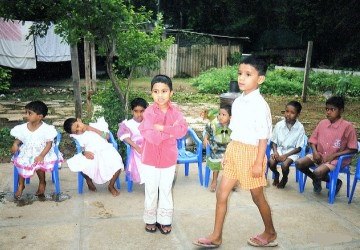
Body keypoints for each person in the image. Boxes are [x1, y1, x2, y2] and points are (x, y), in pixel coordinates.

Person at [193, 55, 277, 248]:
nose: (242, 78)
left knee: (257, 197)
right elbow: (235, 132)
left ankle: (270, 232)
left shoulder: (260, 105)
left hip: (252, 154)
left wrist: (258, 163)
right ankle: (216, 236)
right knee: (221, 193)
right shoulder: (238, 102)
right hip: (234, 151)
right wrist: (227, 153)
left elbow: (263, 137)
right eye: (240, 73)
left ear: (260, 79)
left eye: (248, 74)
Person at [139, 74, 188, 234]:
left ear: (171, 93)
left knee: (166, 189)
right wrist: (170, 133)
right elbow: (149, 134)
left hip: (168, 159)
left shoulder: (177, 113)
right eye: (156, 91)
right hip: (150, 159)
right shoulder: (148, 113)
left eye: (164, 91)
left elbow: (182, 130)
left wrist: (163, 128)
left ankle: (164, 220)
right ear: (151, 93)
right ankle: (150, 220)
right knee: (151, 190)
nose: (160, 95)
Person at [295, 96, 358, 195]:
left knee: (317, 172)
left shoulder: (348, 127)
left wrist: (335, 155)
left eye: (332, 109)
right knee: (299, 163)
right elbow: (312, 141)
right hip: (319, 155)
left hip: (336, 160)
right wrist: (315, 152)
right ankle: (319, 180)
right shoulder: (322, 123)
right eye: (327, 109)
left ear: (341, 110)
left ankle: (334, 182)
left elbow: (353, 149)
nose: (328, 112)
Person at [10, 100, 63, 199]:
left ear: (40, 116)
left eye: (30, 113)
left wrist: (41, 156)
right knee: (22, 162)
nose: (27, 115)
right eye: (26, 112)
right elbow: (18, 139)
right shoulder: (22, 128)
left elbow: (49, 144)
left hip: (43, 152)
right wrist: (15, 144)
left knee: (39, 163)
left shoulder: (46, 129)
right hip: (27, 152)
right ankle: (21, 185)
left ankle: (42, 182)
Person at [63, 117, 124, 197]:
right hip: (91, 153)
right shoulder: (79, 136)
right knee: (81, 165)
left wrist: (91, 128)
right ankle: (88, 180)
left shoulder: (96, 126)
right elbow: (81, 148)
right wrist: (84, 153)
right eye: (76, 131)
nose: (79, 130)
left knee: (117, 164)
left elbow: (107, 137)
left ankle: (111, 185)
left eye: (78, 126)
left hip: (106, 150)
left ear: (79, 120)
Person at [268, 101, 305, 188]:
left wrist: (285, 156)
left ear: (298, 114)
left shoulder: (300, 128)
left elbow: (299, 148)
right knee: (271, 162)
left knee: (285, 165)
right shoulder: (279, 125)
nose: (288, 114)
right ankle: (276, 174)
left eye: (292, 113)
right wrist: (276, 152)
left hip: (292, 152)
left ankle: (284, 178)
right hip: (279, 149)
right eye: (287, 111)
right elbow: (274, 141)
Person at [117, 97, 148, 184]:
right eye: (136, 111)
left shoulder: (149, 122)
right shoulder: (128, 124)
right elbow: (124, 136)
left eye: (142, 111)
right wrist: (136, 146)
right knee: (143, 158)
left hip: (149, 145)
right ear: (132, 111)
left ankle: (156, 181)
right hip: (137, 148)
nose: (139, 114)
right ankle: (148, 181)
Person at [203, 104, 232, 192]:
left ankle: (232, 180)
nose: (220, 116)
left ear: (230, 117)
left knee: (233, 161)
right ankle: (214, 180)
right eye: (219, 114)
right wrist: (205, 138)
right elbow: (207, 132)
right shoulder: (213, 124)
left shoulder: (233, 126)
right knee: (216, 161)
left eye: (224, 115)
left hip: (229, 149)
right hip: (216, 149)